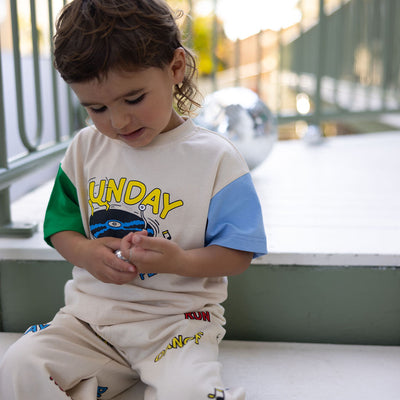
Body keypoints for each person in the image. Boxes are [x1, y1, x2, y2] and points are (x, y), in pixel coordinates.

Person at [0, 0, 267, 398]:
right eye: (97, 107)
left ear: (175, 68)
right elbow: (61, 227)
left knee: (190, 392)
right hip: (90, 323)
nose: (119, 121)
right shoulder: (85, 149)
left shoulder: (217, 159)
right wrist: (86, 253)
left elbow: (238, 253)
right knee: (17, 367)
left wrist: (181, 261)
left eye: (134, 98)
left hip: (178, 326)